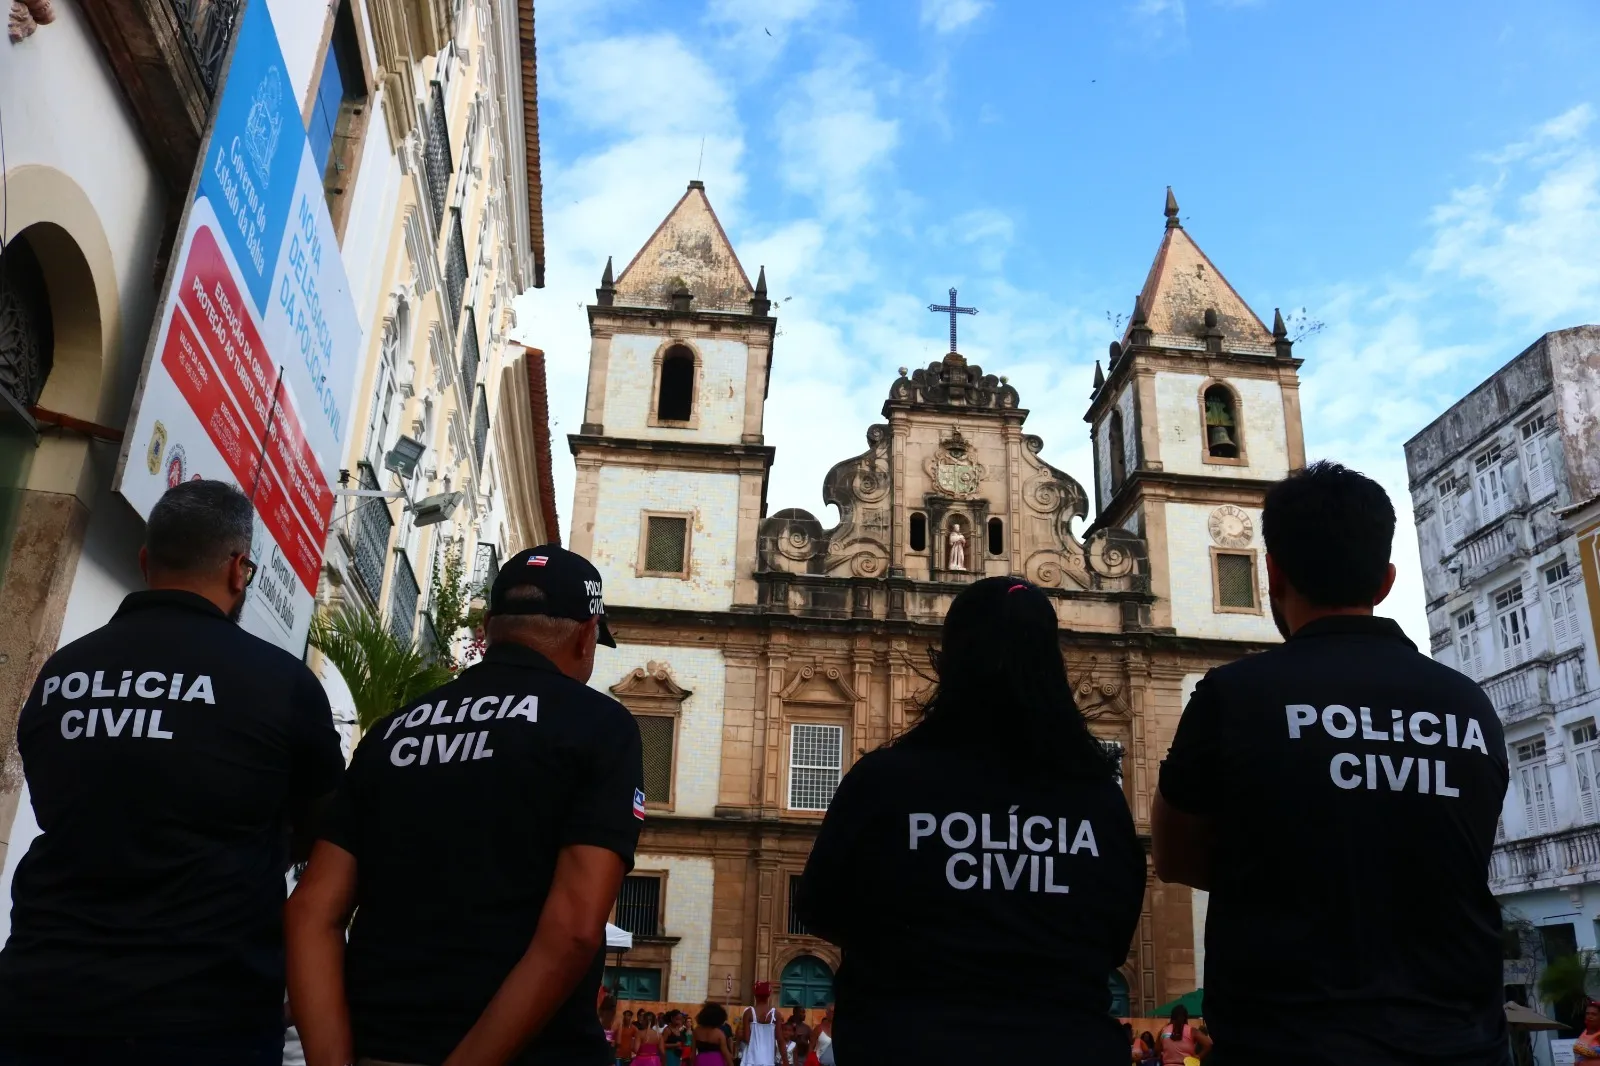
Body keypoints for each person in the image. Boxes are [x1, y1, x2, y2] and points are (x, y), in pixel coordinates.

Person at [1153, 462, 1512, 1066]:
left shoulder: (1235, 696)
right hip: (1458, 1045)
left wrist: (1291, 865)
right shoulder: (1467, 704)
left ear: (1272, 573)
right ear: (1386, 580)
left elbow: (1173, 854)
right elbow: (1461, 845)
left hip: (1287, 1042)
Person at [0, 480, 344, 1066]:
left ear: (144, 560)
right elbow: (325, 827)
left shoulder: (64, 671)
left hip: (39, 1000)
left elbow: (56, 796)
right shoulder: (281, 683)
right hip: (204, 1017)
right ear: (240, 570)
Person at [286, 545, 644, 1066]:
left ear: (490, 625)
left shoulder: (392, 732)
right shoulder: (599, 727)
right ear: (587, 635)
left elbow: (311, 912)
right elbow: (574, 929)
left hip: (381, 1046)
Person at [797, 576, 1145, 1065]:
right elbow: (1113, 936)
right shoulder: (1101, 801)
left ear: (949, 662)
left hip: (907, 1042)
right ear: (1053, 666)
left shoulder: (884, 781)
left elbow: (819, 905)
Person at [740, 984, 785, 1066]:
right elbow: (780, 1039)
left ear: (755, 995)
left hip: (751, 1059)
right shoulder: (776, 1014)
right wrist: (786, 1061)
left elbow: (746, 1038)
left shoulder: (749, 1012)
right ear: (769, 995)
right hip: (768, 1059)